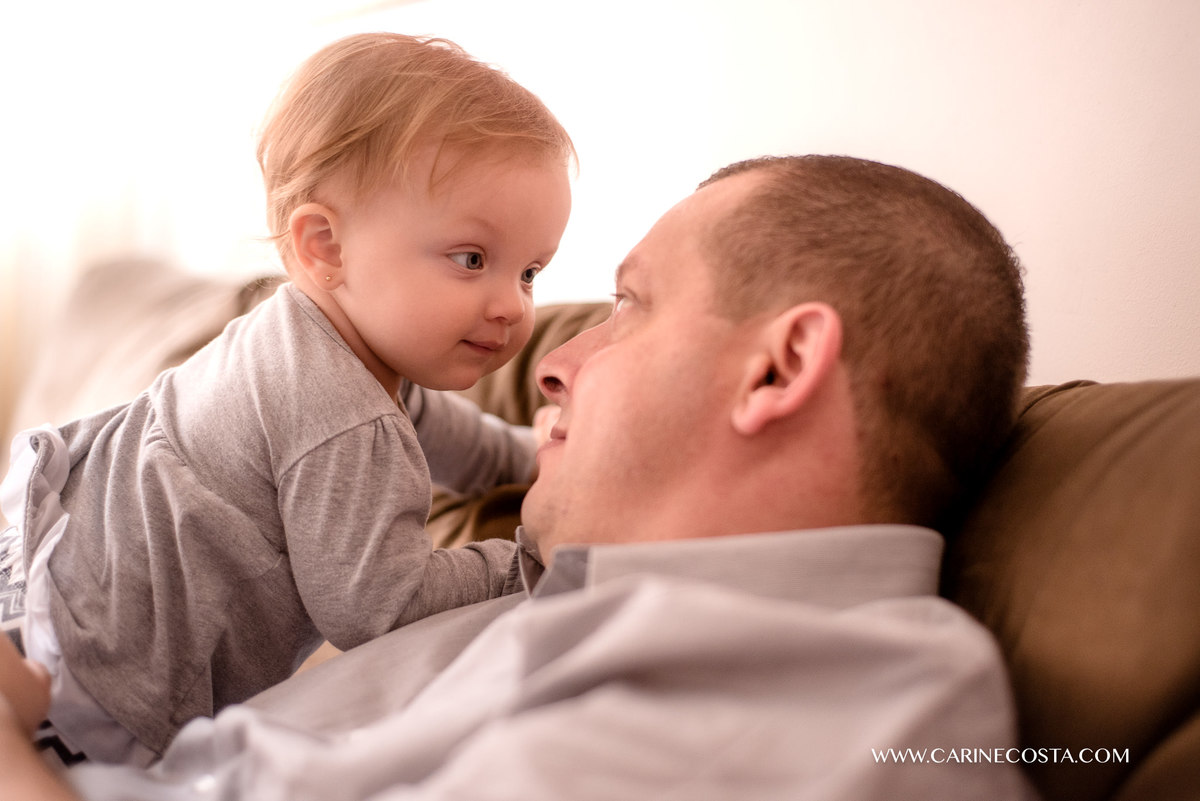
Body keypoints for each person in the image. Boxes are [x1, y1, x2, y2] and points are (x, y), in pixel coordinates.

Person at [0, 154, 1036, 799]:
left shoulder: (843, 709)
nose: (547, 360)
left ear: (778, 368)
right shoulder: (565, 604)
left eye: (629, 305)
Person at [0, 32, 573, 766]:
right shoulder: (339, 410)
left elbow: (437, 427)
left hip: (39, 584)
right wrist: (532, 556)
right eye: (472, 259)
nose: (512, 306)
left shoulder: (299, 336)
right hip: (87, 677)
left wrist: (528, 454)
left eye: (529, 272)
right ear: (325, 246)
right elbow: (381, 604)